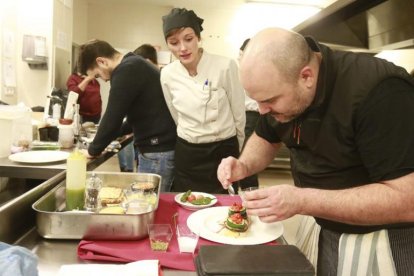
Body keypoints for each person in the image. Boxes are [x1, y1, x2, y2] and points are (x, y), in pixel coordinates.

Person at [217, 27, 414, 275]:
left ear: (306, 77)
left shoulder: (380, 92)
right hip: (320, 225)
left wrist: (302, 200)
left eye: (269, 101)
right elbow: (266, 136)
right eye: (257, 101)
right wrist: (244, 165)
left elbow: (407, 199)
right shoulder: (280, 92)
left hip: (382, 240)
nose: (262, 110)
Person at [160, 8, 245, 194]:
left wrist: (236, 149)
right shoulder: (167, 74)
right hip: (188, 152)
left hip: (223, 149)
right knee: (187, 202)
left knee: (223, 206)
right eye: (174, 42)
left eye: (188, 39)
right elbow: (175, 114)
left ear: (199, 38)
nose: (182, 48)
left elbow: (238, 112)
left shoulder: (225, 66)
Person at [78, 39, 177, 192]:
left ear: (102, 61)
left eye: (97, 75)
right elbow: (133, 120)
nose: (104, 79)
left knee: (149, 205)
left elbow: (112, 117)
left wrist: (92, 151)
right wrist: (106, 139)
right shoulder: (134, 64)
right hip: (160, 150)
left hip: (158, 151)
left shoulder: (126, 70)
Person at [238, 38, 259, 189]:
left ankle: (250, 194)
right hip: (240, 116)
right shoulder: (240, 69)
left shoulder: (255, 71)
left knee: (246, 160)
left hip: (252, 116)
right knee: (239, 159)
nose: (239, 58)